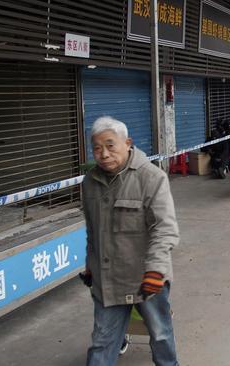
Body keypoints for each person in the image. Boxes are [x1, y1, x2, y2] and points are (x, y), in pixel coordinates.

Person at [81, 116, 180, 366]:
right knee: (102, 342)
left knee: (160, 336)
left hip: (146, 277)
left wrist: (155, 270)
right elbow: (93, 231)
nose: (103, 154)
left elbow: (165, 228)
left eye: (110, 145)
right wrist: (90, 264)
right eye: (97, 148)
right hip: (108, 279)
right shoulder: (90, 183)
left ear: (127, 143)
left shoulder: (151, 177)